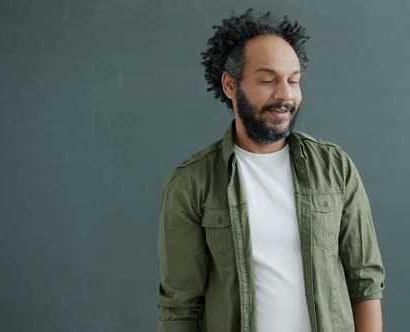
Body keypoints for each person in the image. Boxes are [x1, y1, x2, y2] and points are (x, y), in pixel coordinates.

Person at [157, 8, 385, 332]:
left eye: (293, 80)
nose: (285, 95)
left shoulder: (335, 169)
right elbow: (179, 307)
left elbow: (365, 284)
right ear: (230, 85)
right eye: (268, 80)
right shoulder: (192, 183)